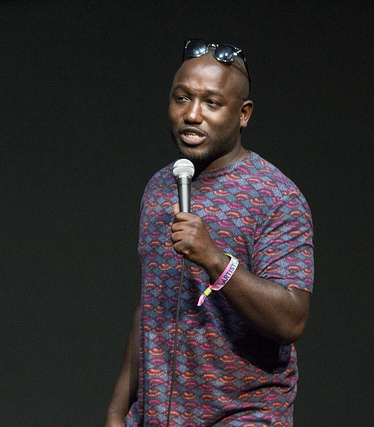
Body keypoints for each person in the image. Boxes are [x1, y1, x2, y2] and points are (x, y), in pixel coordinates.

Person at [106, 39, 314, 426]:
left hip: (242, 416)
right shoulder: (160, 188)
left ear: (243, 114)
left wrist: (214, 259)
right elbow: (151, 306)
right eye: (182, 98)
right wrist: (117, 412)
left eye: (211, 103)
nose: (192, 114)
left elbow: (291, 320)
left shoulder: (275, 197)